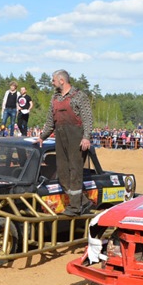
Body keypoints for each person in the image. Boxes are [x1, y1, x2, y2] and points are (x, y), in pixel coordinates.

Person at [37, 69, 93, 216]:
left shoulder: (79, 96)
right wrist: (42, 137)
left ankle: (75, 208)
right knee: (62, 172)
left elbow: (87, 118)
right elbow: (50, 121)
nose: (52, 82)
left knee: (75, 171)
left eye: (53, 79)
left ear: (62, 80)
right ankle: (84, 202)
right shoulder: (54, 98)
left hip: (77, 137)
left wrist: (86, 137)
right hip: (60, 137)